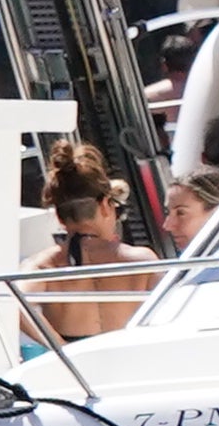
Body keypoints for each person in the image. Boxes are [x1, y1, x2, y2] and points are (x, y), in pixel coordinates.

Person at [21, 136, 162, 346]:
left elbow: (13, 304)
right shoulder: (142, 261)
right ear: (106, 205)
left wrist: (59, 347)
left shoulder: (43, 267)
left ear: (59, 216)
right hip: (130, 357)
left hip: (74, 365)